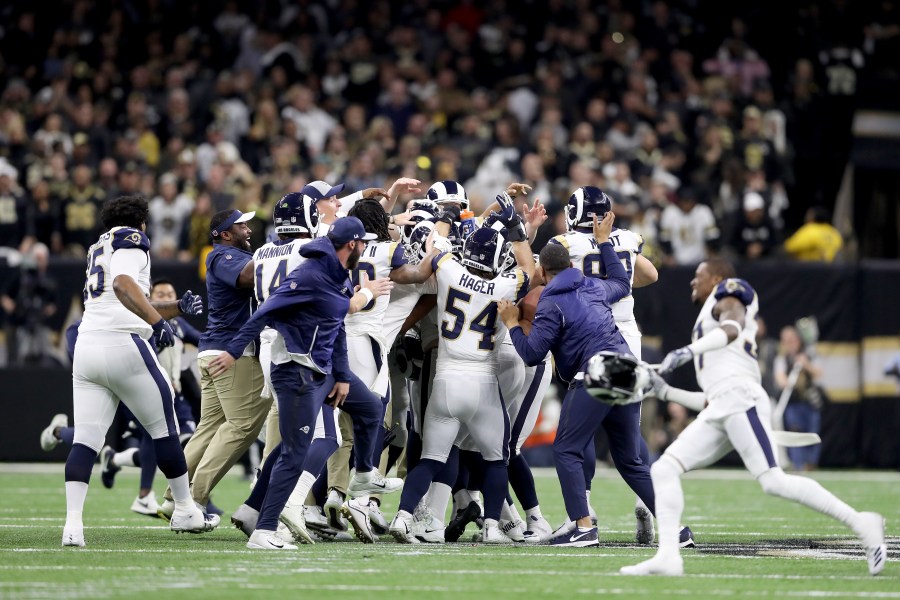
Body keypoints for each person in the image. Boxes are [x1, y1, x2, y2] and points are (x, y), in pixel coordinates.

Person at [620, 258, 885, 576]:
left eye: (698, 276)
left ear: (717, 278)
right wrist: (664, 391)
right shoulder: (708, 319)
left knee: (773, 481)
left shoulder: (730, 293)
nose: (692, 282)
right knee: (663, 469)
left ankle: (862, 523)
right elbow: (709, 399)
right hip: (724, 403)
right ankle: (668, 557)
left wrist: (688, 352)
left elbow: (731, 328)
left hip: (739, 397)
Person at [207, 217, 398, 550]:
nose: (366, 248)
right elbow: (264, 311)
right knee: (297, 451)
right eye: (363, 243)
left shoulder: (337, 271)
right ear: (351, 245)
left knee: (369, 407)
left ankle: (365, 475)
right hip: (296, 371)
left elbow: (336, 326)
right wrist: (233, 351)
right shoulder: (309, 275)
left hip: (322, 369)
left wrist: (341, 375)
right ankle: (264, 530)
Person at [63, 195, 214, 547]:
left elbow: (121, 293)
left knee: (86, 441)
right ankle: (186, 509)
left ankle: (73, 526)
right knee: (165, 430)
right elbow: (123, 286)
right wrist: (158, 321)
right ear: (142, 222)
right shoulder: (132, 239)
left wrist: (174, 307)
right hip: (124, 343)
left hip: (88, 346)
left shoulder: (97, 246)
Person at [497, 212, 655, 547]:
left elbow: (531, 354)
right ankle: (675, 527)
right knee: (630, 459)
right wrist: (603, 244)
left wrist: (512, 323)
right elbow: (621, 281)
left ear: (542, 271)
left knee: (566, 448)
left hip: (595, 372)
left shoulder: (551, 300)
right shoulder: (596, 286)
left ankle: (583, 526)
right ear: (571, 265)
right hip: (627, 366)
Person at [388, 199, 536, 545]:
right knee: (496, 458)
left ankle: (404, 516)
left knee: (430, 458)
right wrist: (515, 228)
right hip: (482, 381)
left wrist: (447, 217)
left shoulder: (451, 270)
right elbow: (528, 265)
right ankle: (491, 527)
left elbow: (434, 247)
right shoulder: (505, 286)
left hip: (445, 377)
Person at [548, 185, 661, 544]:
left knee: (576, 430)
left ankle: (583, 514)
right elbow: (650, 275)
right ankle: (652, 504)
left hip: (588, 332)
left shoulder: (563, 245)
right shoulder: (626, 239)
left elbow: (544, 279)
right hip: (628, 336)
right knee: (628, 435)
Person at [159, 208, 268, 518]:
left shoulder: (227, 254)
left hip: (214, 352)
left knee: (209, 427)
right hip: (230, 354)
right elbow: (250, 276)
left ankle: (173, 495)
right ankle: (193, 498)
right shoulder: (223, 257)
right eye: (240, 225)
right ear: (223, 234)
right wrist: (278, 257)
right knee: (243, 425)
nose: (248, 229)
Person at [774, 325, 824, 471]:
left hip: (811, 402)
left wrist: (806, 365)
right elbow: (780, 379)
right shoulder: (782, 359)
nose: (790, 343)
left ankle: (811, 463)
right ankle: (799, 464)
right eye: (786, 340)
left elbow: (819, 374)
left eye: (792, 339)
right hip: (793, 403)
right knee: (795, 433)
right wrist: (790, 379)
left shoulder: (809, 354)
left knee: (812, 433)